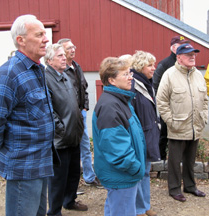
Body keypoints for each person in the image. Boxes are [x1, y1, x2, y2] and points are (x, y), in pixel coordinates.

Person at [0, 14, 57, 216]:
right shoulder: (8, 74)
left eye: (45, 33)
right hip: (23, 166)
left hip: (41, 163)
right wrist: (0, 149)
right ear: (21, 40)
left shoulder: (37, 70)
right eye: (39, 34)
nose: (46, 39)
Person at [92, 57, 146, 216]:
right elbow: (117, 151)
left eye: (130, 73)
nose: (131, 77)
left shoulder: (120, 100)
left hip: (122, 175)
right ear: (111, 80)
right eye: (125, 74)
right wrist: (135, 169)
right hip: (121, 176)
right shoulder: (110, 106)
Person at [156, 43, 208, 202]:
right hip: (177, 126)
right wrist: (171, 122)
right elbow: (161, 101)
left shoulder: (198, 74)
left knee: (190, 160)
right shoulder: (169, 74)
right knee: (174, 161)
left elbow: (204, 100)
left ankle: (190, 187)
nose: (192, 57)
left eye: (194, 54)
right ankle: (174, 189)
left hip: (195, 126)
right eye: (188, 54)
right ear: (178, 57)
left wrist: (204, 116)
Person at [44, 44, 88, 215]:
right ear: (49, 60)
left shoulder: (66, 76)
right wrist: (60, 129)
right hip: (60, 139)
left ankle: (69, 201)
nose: (64, 58)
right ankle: (54, 211)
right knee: (58, 180)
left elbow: (75, 102)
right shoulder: (45, 78)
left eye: (64, 55)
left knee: (73, 174)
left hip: (73, 135)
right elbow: (48, 110)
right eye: (59, 55)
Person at [57, 38, 102, 189]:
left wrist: (85, 108)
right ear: (61, 51)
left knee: (84, 147)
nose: (72, 50)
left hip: (80, 113)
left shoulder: (77, 67)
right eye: (69, 48)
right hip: (68, 116)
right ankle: (71, 184)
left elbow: (84, 88)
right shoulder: (61, 71)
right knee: (70, 149)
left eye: (73, 47)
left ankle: (89, 177)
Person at [130, 51, 160, 216]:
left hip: (148, 133)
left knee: (145, 172)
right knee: (139, 173)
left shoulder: (148, 83)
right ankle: (139, 208)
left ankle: (145, 206)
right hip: (139, 136)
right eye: (149, 65)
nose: (153, 68)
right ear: (140, 67)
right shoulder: (134, 84)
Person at [153, 35, 189, 161]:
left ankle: (181, 159)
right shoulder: (164, 64)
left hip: (183, 106)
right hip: (168, 105)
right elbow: (156, 85)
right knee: (164, 132)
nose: (184, 48)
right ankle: (160, 158)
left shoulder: (187, 65)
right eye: (180, 46)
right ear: (173, 48)